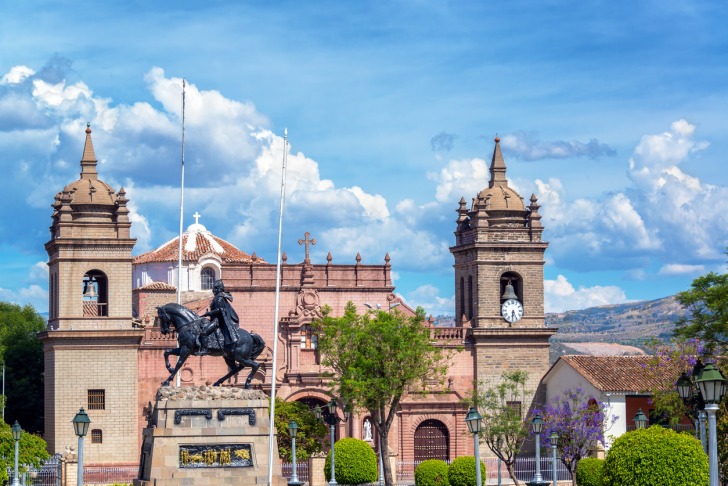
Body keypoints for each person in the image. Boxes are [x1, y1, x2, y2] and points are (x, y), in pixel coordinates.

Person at [199, 279, 240, 353]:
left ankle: (204, 350)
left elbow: (220, 310)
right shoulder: (218, 297)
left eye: (214, 288)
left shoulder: (219, 298)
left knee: (204, 332)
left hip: (216, 321)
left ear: (218, 288)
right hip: (214, 319)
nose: (213, 290)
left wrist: (209, 313)